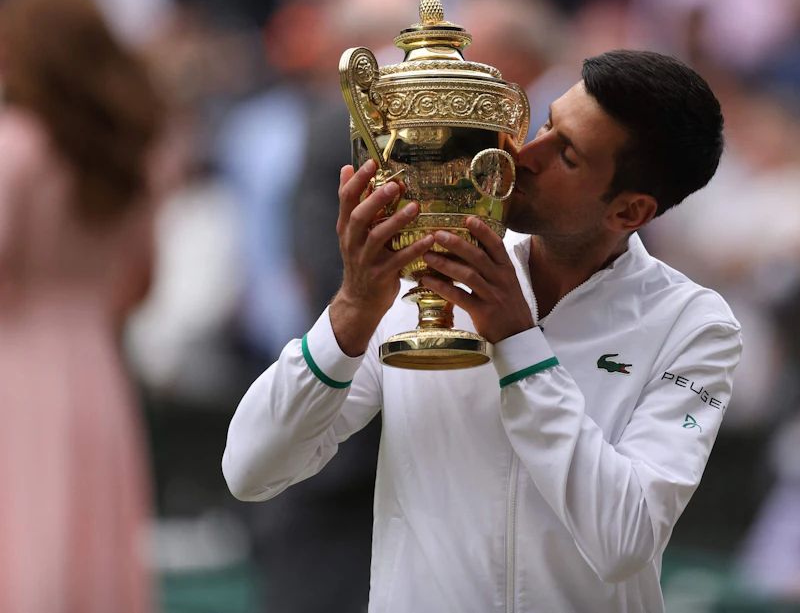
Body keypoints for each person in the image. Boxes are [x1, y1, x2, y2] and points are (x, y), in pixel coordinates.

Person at [224, 50, 743, 612]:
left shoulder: (695, 325)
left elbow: (625, 540)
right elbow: (250, 469)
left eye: (566, 154)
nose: (522, 154)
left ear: (629, 212)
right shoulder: (429, 267)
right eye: (545, 124)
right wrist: (350, 309)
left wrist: (521, 347)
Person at [0, 0, 165, 613]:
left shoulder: (16, 146)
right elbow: (142, 282)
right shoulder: (128, 158)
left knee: (26, 542)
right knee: (91, 547)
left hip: (15, 360)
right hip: (96, 365)